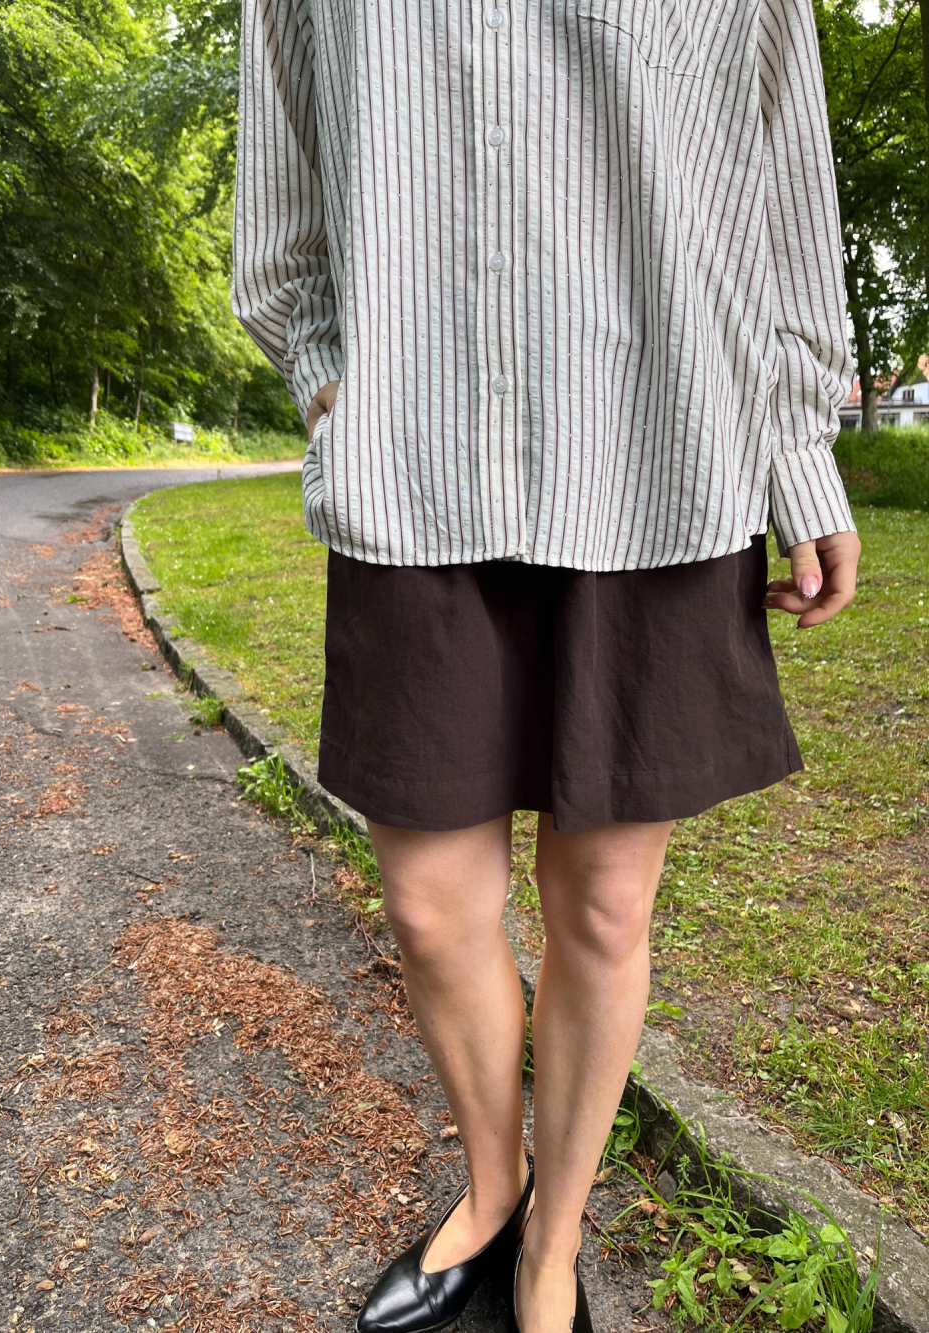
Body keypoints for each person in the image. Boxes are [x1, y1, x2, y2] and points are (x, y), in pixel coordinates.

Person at [231, 0, 861, 1327]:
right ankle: (493, 1184)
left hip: (659, 444)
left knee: (606, 906)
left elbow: (782, 184)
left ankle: (552, 1247)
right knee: (430, 904)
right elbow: (283, 175)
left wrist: (799, 452)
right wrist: (330, 377)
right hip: (414, 456)